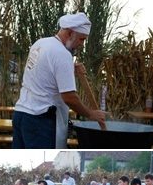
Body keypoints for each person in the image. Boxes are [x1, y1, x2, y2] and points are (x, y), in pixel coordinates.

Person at [11, 12, 106, 148]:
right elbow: (69, 97)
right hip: (40, 120)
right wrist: (91, 114)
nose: (81, 45)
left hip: (21, 114)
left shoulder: (41, 43)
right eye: (82, 39)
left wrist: (69, 69)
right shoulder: (62, 54)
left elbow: (43, 71)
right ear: (70, 33)